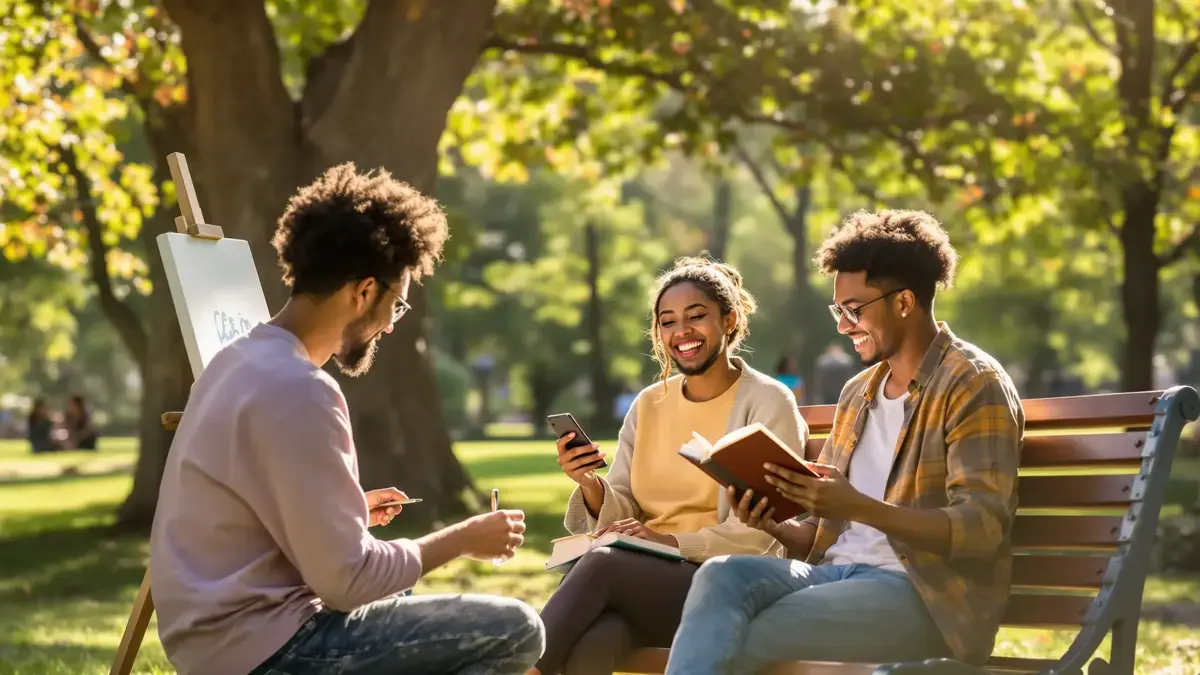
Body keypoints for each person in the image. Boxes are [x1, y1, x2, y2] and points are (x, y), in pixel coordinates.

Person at [149, 163, 545, 675]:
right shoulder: (301, 390)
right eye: (397, 306)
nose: (390, 325)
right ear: (362, 292)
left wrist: (345, 509)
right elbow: (349, 583)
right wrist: (463, 538)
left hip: (211, 645)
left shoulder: (235, 361)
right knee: (516, 629)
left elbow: (246, 506)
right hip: (269, 652)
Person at [666, 210, 1025, 674]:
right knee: (722, 574)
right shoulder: (859, 393)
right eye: (838, 310)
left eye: (854, 310)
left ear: (904, 302)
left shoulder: (972, 384)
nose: (842, 325)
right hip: (837, 577)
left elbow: (982, 530)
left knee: (737, 634)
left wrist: (858, 505)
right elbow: (823, 536)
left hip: (926, 598)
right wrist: (773, 523)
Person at [532, 256, 809, 675]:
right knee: (597, 639)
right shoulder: (649, 403)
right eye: (667, 322)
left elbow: (758, 535)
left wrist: (666, 543)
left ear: (729, 321)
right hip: (644, 582)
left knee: (602, 564)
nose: (681, 332)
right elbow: (623, 501)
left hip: (731, 582)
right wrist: (589, 482)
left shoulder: (768, 402)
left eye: (696, 317)